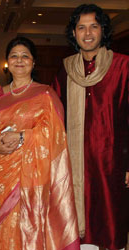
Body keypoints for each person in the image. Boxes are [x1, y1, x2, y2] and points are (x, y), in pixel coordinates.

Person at [0, 36, 80, 250]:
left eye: (25, 56)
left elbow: (56, 134)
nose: (19, 60)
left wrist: (23, 137)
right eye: (14, 56)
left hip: (35, 175)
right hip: (2, 171)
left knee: (30, 223)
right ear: (7, 62)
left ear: (33, 62)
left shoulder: (46, 93)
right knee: (4, 224)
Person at [52, 4, 129, 250]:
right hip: (74, 169)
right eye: (81, 27)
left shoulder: (123, 66)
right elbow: (53, 121)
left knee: (110, 229)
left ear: (103, 30)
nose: (87, 33)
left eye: (93, 26)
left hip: (112, 167)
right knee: (77, 232)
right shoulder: (65, 71)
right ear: (73, 33)